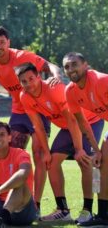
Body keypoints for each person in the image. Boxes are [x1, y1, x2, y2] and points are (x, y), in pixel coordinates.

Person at [0, 26, 61, 211]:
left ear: (8, 42)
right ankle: (12, 201)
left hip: (39, 108)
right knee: (11, 155)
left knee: (39, 155)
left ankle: (35, 204)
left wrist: (56, 77)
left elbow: (50, 66)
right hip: (19, 110)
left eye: (2, 42)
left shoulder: (23, 57)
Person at [16, 63, 103, 223]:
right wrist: (47, 152)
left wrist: (78, 149)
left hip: (88, 122)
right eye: (24, 81)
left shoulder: (53, 88)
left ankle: (88, 210)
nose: (28, 84)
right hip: (66, 127)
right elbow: (39, 127)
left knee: (85, 161)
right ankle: (63, 210)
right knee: (51, 161)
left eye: (31, 79)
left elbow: (72, 119)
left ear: (38, 77)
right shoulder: (24, 96)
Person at [63, 52, 108, 226]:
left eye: (74, 64)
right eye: (67, 66)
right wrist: (97, 150)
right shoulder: (70, 91)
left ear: (85, 65)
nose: (71, 69)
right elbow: (82, 122)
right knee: (103, 164)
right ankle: (104, 216)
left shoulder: (101, 81)